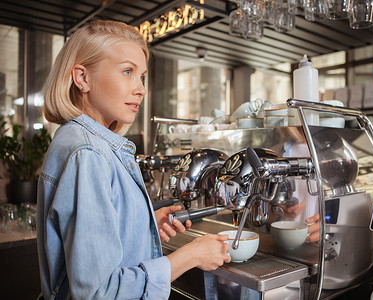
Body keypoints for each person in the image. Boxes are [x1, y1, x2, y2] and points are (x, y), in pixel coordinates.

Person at [37, 20, 230, 300]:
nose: (141, 89)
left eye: (141, 76)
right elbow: (98, 292)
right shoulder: (89, 153)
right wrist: (190, 256)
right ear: (82, 78)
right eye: (127, 71)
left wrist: (142, 225)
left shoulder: (78, 140)